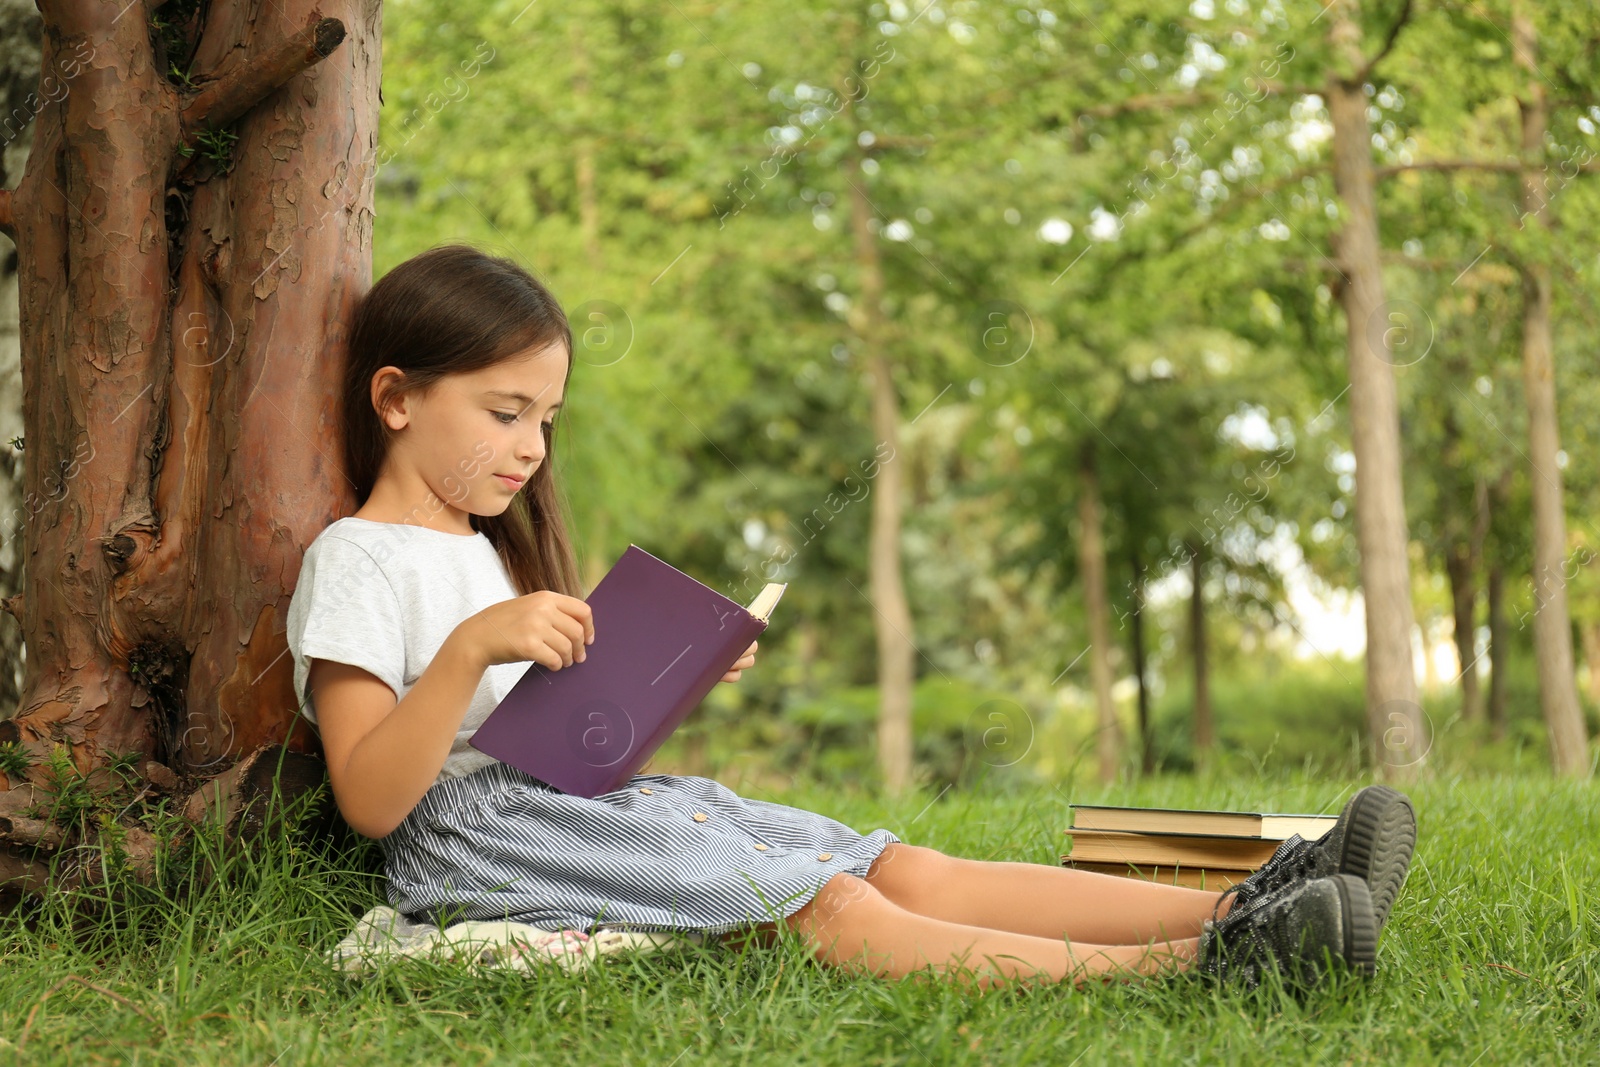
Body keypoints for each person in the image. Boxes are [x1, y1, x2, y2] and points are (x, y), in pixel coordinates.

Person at [286, 243, 1417, 992]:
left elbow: (545, 734)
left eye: (545, 416)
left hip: (582, 801)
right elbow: (377, 798)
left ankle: (1248, 890)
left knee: (900, 862)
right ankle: (1208, 961)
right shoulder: (357, 559)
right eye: (504, 410)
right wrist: (472, 648)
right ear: (394, 397)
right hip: (482, 833)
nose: (532, 445)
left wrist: (645, 685)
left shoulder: (488, 551)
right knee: (825, 905)